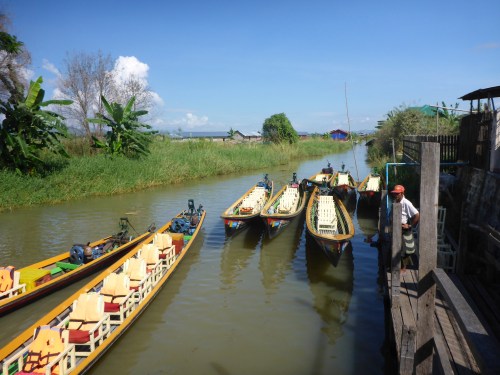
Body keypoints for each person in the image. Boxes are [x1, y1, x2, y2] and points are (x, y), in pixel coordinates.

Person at [391, 184, 419, 272]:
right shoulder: (396, 201)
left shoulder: (406, 203)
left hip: (404, 227)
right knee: (397, 247)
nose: (396, 195)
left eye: (397, 193)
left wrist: (410, 225)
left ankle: (404, 268)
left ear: (402, 193)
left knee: (406, 249)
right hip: (396, 227)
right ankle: (396, 266)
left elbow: (417, 214)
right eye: (395, 193)